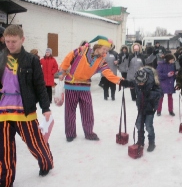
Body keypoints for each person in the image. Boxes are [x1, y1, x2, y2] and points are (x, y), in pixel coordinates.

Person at [0, 25, 54, 186]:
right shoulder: (1, 57)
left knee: (35, 143)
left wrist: (46, 108)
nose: (10, 44)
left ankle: (46, 162)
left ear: (22, 40)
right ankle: (5, 180)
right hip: (2, 110)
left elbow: (39, 85)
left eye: (14, 41)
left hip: (25, 110)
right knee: (4, 149)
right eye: (7, 41)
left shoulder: (32, 60)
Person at [58, 35, 123, 142]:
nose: (105, 52)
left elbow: (108, 74)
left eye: (107, 50)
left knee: (87, 111)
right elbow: (67, 58)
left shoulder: (102, 61)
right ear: (98, 46)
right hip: (71, 84)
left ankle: (89, 133)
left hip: (85, 87)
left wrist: (121, 81)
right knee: (70, 111)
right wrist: (62, 71)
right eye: (104, 49)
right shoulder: (82, 50)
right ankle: (70, 133)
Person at [120, 66, 163, 152]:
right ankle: (140, 141)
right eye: (138, 83)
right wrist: (124, 82)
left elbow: (160, 93)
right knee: (139, 124)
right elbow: (131, 83)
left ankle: (151, 143)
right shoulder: (137, 81)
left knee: (148, 126)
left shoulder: (153, 83)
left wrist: (150, 94)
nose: (139, 84)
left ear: (145, 80)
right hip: (141, 107)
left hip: (150, 108)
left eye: (141, 83)